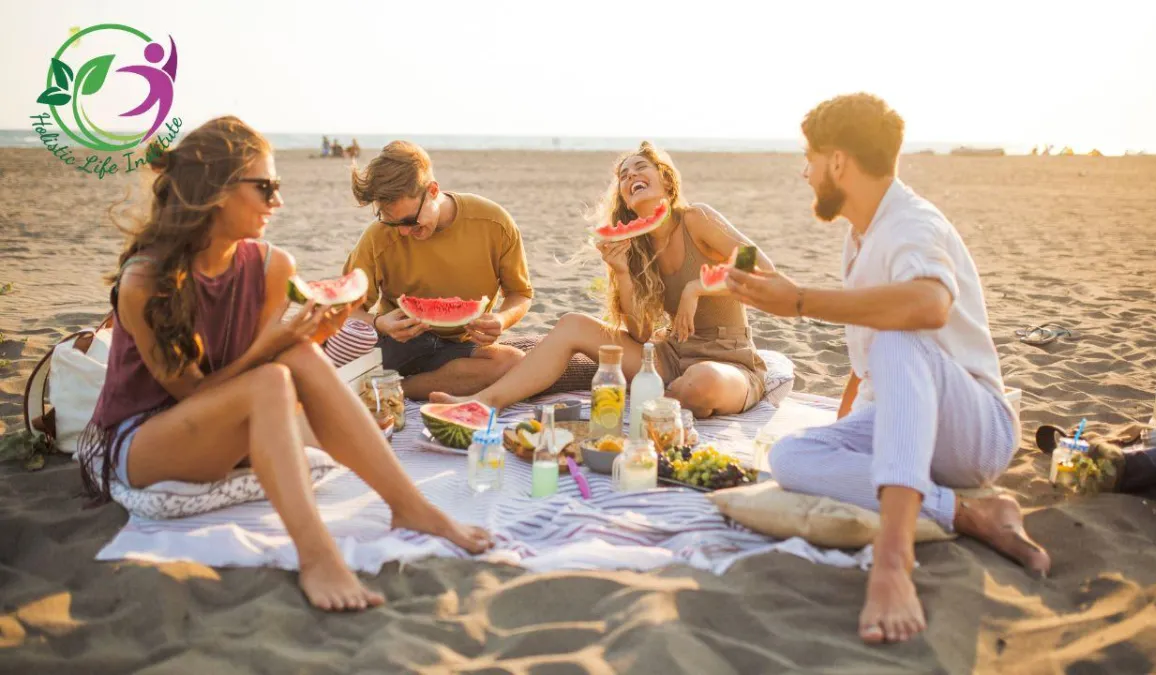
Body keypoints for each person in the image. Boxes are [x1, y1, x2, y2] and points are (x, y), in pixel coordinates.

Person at [78, 116, 492, 613]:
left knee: (294, 356)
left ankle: (410, 507)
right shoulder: (145, 281)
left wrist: (307, 338)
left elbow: (260, 370)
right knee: (276, 371)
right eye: (265, 187)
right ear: (216, 191)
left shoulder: (273, 267)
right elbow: (191, 393)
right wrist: (272, 348)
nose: (279, 201)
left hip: (224, 426)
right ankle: (316, 554)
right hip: (143, 441)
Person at [724, 93, 1050, 645]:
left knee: (901, 339)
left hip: (977, 431)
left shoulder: (912, 223)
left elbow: (927, 307)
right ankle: (972, 515)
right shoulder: (862, 236)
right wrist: (845, 424)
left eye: (810, 157)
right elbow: (869, 359)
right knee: (792, 454)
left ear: (838, 162)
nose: (805, 172)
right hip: (912, 423)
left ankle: (893, 564)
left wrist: (798, 301)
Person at [432, 141, 772, 417]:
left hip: (728, 359)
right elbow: (639, 333)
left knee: (703, 383)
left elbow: (757, 261)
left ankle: (663, 399)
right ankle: (485, 403)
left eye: (641, 167)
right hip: (670, 357)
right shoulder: (636, 246)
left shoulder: (696, 218)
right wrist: (622, 272)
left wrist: (697, 288)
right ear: (624, 197)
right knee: (572, 323)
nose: (630, 176)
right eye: (624, 176)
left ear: (666, 180)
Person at [344, 141, 532, 399]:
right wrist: (380, 323)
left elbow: (520, 294)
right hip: (396, 343)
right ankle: (386, 384)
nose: (403, 231)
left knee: (513, 362)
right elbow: (347, 310)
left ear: (433, 190)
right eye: (392, 222)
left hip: (458, 347)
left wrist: (501, 319)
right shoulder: (378, 237)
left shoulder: (493, 223)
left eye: (410, 221)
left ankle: (397, 390)